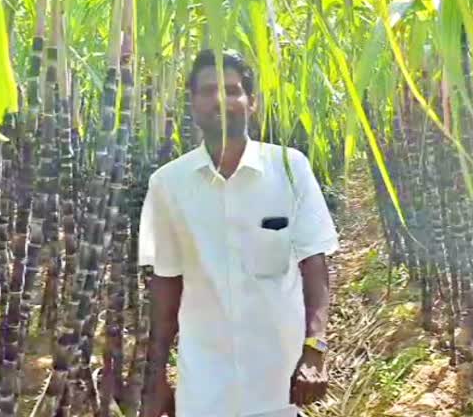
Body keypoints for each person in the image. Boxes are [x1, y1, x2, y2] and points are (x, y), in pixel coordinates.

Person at [138, 49, 339, 417]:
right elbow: (166, 283)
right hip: (204, 385)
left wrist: (315, 349)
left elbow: (314, 263)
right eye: (208, 90)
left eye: (232, 90)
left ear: (252, 103)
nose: (220, 100)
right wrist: (155, 377)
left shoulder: (290, 169)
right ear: (192, 104)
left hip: (278, 383)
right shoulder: (168, 184)